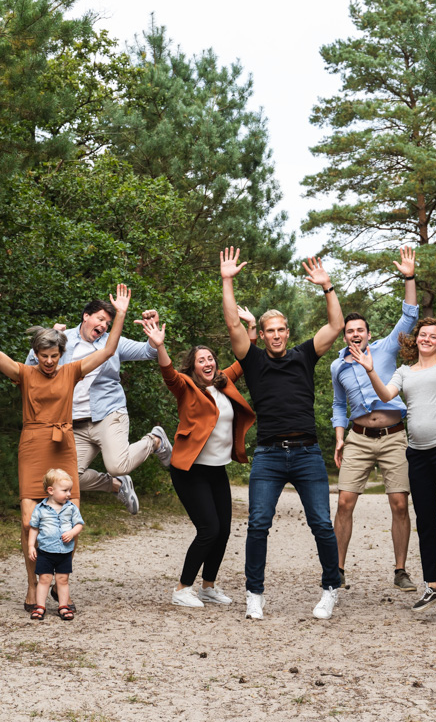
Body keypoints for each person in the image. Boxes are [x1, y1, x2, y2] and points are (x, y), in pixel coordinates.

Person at [0, 280, 132, 613]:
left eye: (53, 356)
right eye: (43, 356)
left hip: (64, 447)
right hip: (33, 446)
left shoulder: (71, 372)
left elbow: (107, 351)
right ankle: (33, 584)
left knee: (69, 522)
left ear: (62, 354)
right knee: (28, 521)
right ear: (36, 354)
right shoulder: (25, 373)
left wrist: (119, 314)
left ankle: (60, 583)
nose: (48, 361)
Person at [349, 263, 436, 618]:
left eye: (433, 336)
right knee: (425, 520)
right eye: (422, 335)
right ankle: (433, 585)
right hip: (418, 453)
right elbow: (386, 394)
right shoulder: (404, 371)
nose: (426, 338)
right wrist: (370, 370)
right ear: (417, 340)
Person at [220, 246, 344, 620]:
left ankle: (330, 589)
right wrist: (227, 281)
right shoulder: (253, 360)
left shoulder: (304, 355)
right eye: (269, 331)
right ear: (262, 334)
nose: (275, 335)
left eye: (280, 330)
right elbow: (233, 325)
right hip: (269, 455)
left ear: (288, 332)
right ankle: (254, 595)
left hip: (307, 454)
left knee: (322, 524)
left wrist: (327, 287)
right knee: (258, 524)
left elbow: (335, 327)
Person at [140, 316, 256, 608]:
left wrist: (251, 329)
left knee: (224, 531)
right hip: (190, 471)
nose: (208, 363)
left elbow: (245, 359)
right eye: (201, 360)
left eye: (210, 358)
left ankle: (208, 587)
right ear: (192, 367)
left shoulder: (224, 382)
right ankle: (182, 589)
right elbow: (169, 374)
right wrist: (160, 346)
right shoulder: (186, 387)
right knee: (209, 530)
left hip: (217, 470)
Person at [330, 246, 421, 592]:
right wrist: (339, 436)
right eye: (350, 331)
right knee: (344, 502)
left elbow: (409, 317)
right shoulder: (337, 366)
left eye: (360, 330)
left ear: (368, 333)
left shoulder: (385, 348)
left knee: (399, 503)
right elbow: (339, 405)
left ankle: (400, 570)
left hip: (394, 436)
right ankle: (337, 570)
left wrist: (409, 277)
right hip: (357, 438)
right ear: (345, 336)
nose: (355, 334)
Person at [27, 301, 172, 516]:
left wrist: (154, 335)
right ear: (86, 316)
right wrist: (45, 339)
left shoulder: (113, 342)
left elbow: (148, 351)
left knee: (118, 466)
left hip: (108, 414)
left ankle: (155, 440)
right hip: (75, 423)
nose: (104, 326)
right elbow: (30, 368)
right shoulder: (62, 339)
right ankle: (117, 485)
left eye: (108, 323)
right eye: (100, 319)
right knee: (65, 480)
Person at [26, 468, 86, 621]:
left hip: (64, 552)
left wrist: (72, 533)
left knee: (62, 580)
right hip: (45, 551)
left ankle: (63, 606)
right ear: (51, 490)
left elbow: (79, 524)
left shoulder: (71, 508)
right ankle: (40, 606)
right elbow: (34, 528)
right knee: (44, 579)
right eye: (65, 490)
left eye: (70, 490)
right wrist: (31, 546)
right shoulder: (40, 509)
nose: (69, 494)